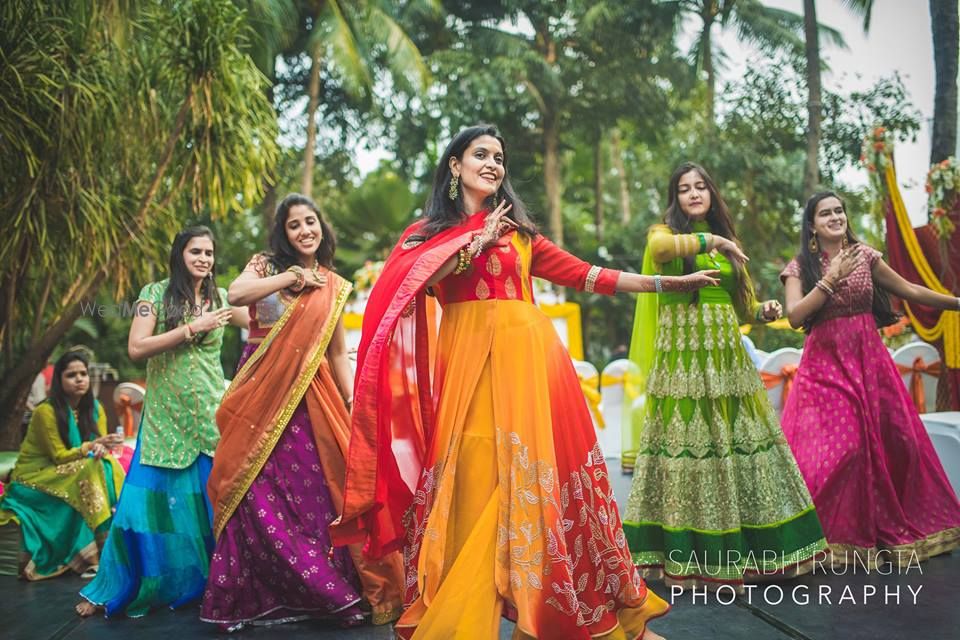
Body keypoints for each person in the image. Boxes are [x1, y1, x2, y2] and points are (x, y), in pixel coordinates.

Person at [332, 126, 720, 640]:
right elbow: (411, 284)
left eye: (499, 157)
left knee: (538, 481)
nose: (493, 164)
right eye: (481, 154)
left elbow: (587, 274)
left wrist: (663, 283)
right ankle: (464, 617)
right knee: (473, 480)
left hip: (531, 369)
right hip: (468, 372)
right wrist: (476, 242)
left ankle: (576, 613)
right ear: (455, 165)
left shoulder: (521, 233)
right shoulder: (427, 234)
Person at [201, 194, 404, 631]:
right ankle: (248, 596)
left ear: (321, 227)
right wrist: (291, 276)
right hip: (259, 395)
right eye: (295, 225)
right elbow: (236, 293)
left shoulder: (333, 284)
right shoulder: (266, 266)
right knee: (250, 490)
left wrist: (352, 404)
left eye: (310, 222)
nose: (304, 230)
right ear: (284, 234)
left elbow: (335, 353)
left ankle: (326, 591)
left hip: (311, 401)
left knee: (313, 494)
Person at [621, 162, 827, 590]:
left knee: (738, 449)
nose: (694, 194)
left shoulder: (728, 245)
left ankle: (754, 551)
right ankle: (685, 554)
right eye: (684, 188)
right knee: (687, 448)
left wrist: (763, 312)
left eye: (701, 187)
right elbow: (660, 254)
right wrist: (713, 240)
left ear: (712, 194)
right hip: (683, 363)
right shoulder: (663, 235)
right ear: (674, 197)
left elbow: (738, 309)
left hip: (727, 364)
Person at [780, 191, 960, 566]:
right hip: (825, 366)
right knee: (842, 451)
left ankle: (879, 533)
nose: (835, 217)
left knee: (900, 442)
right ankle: (829, 537)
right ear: (812, 226)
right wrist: (830, 280)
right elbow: (795, 316)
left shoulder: (866, 256)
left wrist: (956, 303)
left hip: (869, 360)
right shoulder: (801, 266)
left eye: (839, 210)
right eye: (825, 213)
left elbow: (910, 290)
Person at [77, 225, 247, 617]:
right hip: (165, 418)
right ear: (179, 255)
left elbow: (266, 319)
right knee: (143, 506)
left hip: (208, 413)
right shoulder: (151, 296)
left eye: (209, 252)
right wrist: (191, 328)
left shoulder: (220, 298)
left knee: (215, 502)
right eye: (195, 251)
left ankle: (215, 583)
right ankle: (118, 584)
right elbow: (137, 348)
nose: (204, 259)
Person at [0, 351, 124, 580]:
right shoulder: (44, 411)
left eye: (83, 374)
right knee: (89, 469)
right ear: (59, 380)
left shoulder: (95, 408)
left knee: (108, 465)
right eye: (71, 375)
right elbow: (58, 456)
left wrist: (100, 448)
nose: (80, 379)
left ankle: (117, 540)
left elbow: (96, 448)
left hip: (73, 471)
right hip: (36, 476)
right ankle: (100, 552)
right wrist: (91, 446)